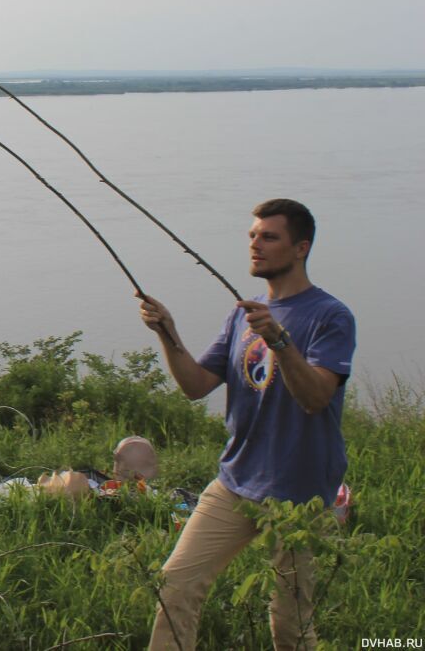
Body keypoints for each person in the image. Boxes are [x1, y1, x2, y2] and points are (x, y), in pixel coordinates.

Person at [137, 198, 354, 650]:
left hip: (301, 491)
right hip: (237, 481)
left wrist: (279, 340)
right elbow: (196, 385)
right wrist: (167, 333)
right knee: (174, 586)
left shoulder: (331, 316)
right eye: (253, 236)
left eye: (269, 237)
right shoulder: (244, 311)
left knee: (290, 626)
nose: (255, 245)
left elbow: (315, 398)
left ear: (301, 248)